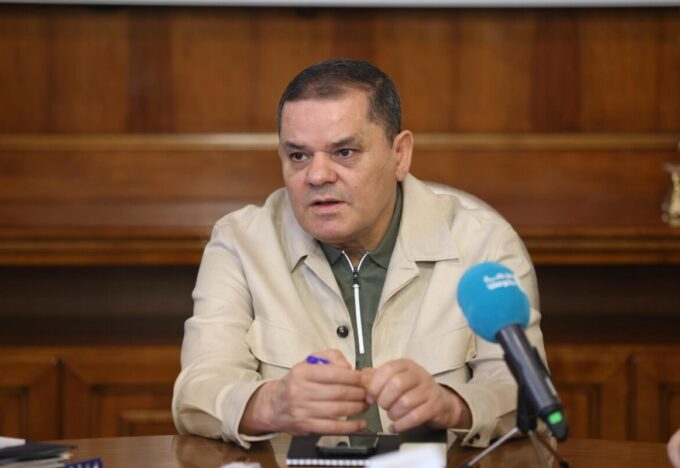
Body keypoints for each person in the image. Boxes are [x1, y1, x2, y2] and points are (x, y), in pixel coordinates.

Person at [172, 59, 547, 449]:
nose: (317, 175)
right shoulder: (241, 242)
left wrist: (454, 406)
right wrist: (271, 404)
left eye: (344, 152)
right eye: (298, 156)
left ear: (400, 154)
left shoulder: (482, 241)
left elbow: (529, 395)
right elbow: (195, 394)